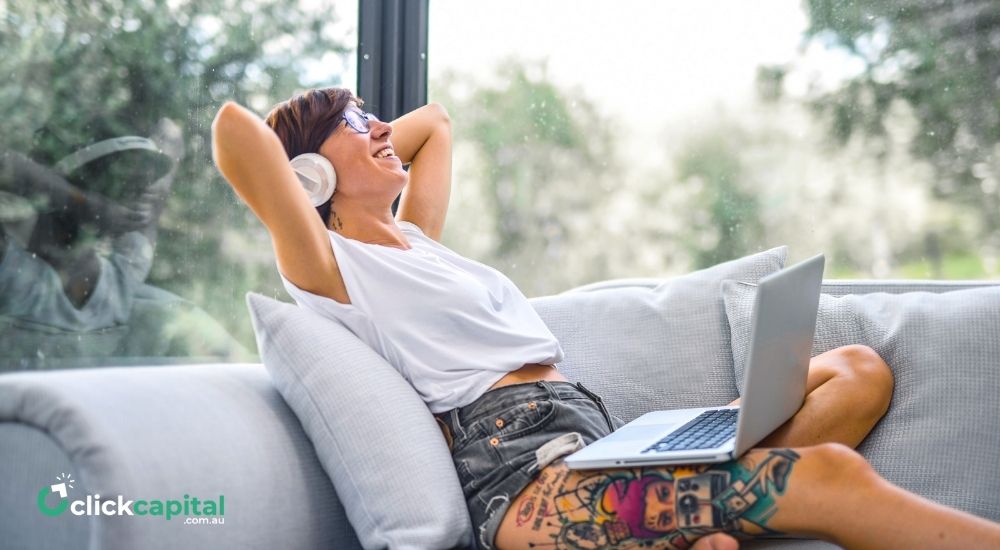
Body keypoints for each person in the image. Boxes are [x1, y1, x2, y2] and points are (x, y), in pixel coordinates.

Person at [211, 87, 1000, 550]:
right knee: (827, 475)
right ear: (310, 172)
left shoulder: (415, 241)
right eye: (358, 125)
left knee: (857, 371)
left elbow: (437, 123)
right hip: (521, 479)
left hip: (595, 438)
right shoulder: (331, 268)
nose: (384, 129)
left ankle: (692, 526)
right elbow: (232, 130)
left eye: (376, 117)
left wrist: (357, 133)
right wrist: (312, 157)